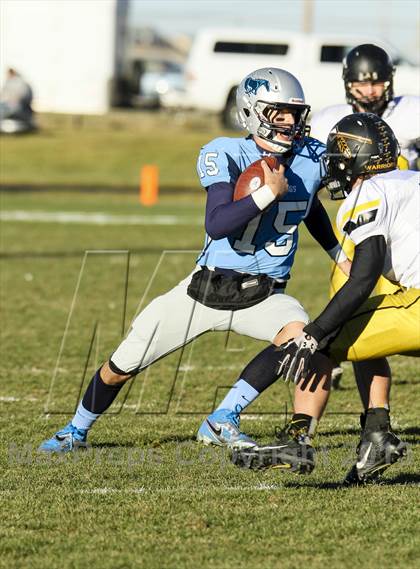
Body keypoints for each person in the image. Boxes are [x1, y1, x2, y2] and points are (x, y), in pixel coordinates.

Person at [39, 67, 349, 454]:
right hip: (205, 289)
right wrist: (267, 194)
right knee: (120, 367)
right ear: (251, 113)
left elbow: (308, 206)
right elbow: (217, 223)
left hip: (264, 294)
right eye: (278, 113)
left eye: (293, 113)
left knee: (301, 336)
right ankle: (75, 430)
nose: (289, 122)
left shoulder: (311, 158)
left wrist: (338, 253)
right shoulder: (225, 151)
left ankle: (223, 418)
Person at [236, 113, 419, 484]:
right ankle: (376, 434)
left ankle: (297, 440)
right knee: (358, 313)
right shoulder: (411, 180)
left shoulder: (370, 192)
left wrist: (314, 332)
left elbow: (363, 277)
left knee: (324, 339)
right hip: (408, 301)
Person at [311, 44, 420, 389]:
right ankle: (341, 345)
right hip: (364, 222)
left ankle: (335, 342)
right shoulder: (330, 119)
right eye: (362, 83)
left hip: (404, 222)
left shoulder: (411, 110)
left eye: (376, 82)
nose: (370, 90)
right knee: (349, 289)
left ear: (390, 82)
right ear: (347, 83)